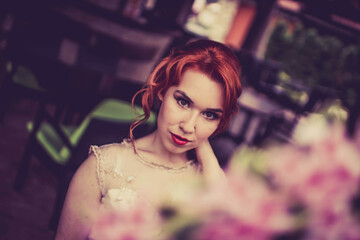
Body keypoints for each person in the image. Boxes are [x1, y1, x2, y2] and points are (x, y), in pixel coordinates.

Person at [55, 39, 242, 239]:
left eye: (209, 115)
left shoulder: (210, 184)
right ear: (162, 90)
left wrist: (209, 159)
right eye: (183, 101)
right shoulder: (104, 166)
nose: (188, 126)